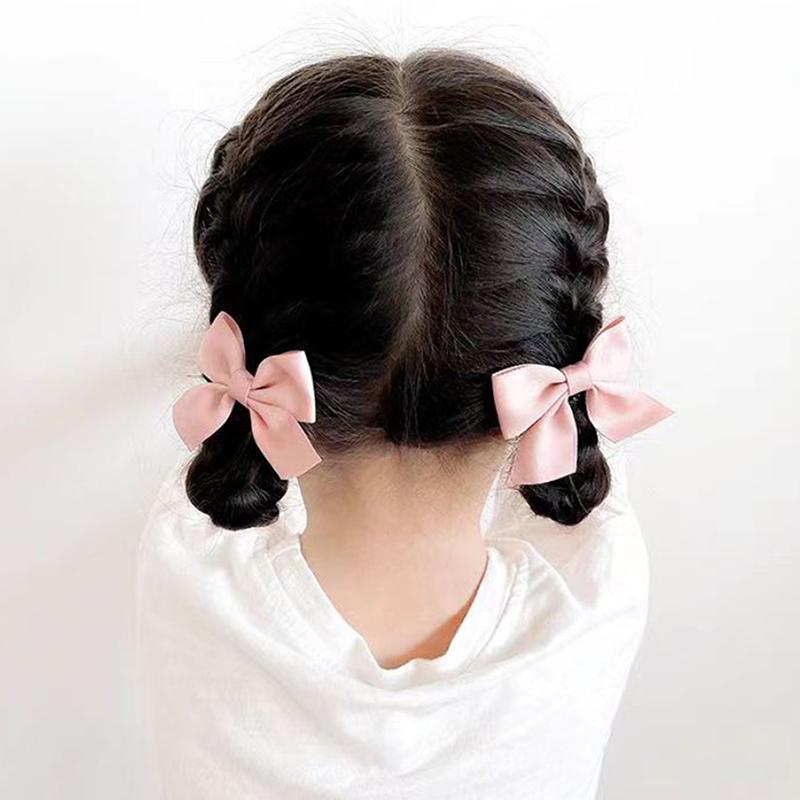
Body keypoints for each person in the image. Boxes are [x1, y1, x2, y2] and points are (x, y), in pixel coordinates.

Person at [136, 49, 671, 799]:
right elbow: (578, 492)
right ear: (554, 355)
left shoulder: (189, 571)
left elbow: (217, 480)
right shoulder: (596, 585)